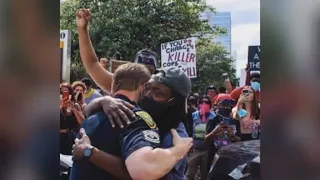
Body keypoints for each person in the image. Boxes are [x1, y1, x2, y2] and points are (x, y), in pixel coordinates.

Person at [70, 63, 193, 180]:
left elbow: (146, 172)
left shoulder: (176, 135)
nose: (149, 94)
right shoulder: (124, 112)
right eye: (148, 88)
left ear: (173, 102)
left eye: (158, 92)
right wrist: (103, 101)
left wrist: (178, 151)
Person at [76, 9, 158, 93]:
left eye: (150, 71)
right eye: (141, 71)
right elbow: (92, 65)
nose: (146, 75)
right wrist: (82, 29)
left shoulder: (163, 90)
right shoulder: (122, 86)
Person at [205, 98, 240, 170]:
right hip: (214, 155)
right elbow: (206, 139)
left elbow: (240, 140)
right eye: (223, 106)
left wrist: (232, 135)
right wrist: (214, 132)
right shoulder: (213, 120)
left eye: (228, 107)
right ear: (219, 106)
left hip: (231, 156)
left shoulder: (235, 122)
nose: (225, 108)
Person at [186, 94, 215, 180]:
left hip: (207, 150)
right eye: (202, 102)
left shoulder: (213, 117)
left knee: (205, 174)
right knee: (190, 174)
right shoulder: (193, 116)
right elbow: (189, 131)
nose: (204, 104)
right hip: (195, 149)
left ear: (210, 104)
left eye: (206, 102)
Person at [60, 83, 85, 155]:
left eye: (67, 92)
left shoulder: (75, 105)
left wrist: (73, 109)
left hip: (71, 140)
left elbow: (82, 122)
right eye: (61, 92)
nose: (64, 94)